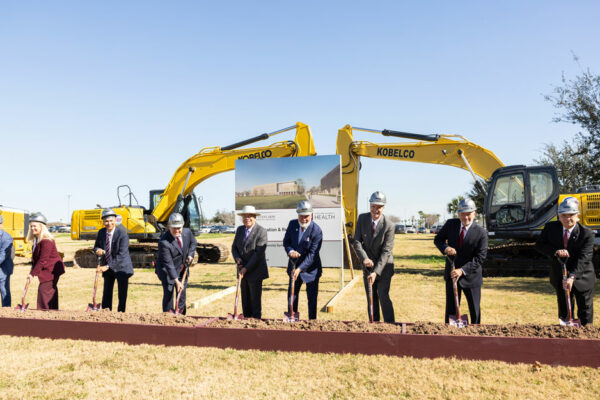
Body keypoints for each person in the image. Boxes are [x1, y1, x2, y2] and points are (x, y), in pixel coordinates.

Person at [535, 197, 596, 325]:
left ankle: (585, 337)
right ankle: (565, 335)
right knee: (564, 310)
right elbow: (540, 245)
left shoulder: (587, 234)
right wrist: (556, 251)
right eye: (564, 215)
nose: (567, 219)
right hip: (560, 276)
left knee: (585, 311)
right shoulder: (551, 228)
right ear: (559, 216)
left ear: (577, 215)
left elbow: (584, 258)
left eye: (571, 215)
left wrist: (572, 277)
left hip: (581, 277)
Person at [434, 198, 487, 324]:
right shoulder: (450, 225)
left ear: (474, 213)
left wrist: (462, 270)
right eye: (462, 214)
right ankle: (449, 338)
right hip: (452, 276)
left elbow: (480, 257)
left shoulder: (481, 233)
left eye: (468, 214)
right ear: (458, 214)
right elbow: (438, 240)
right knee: (451, 311)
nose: (465, 217)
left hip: (471, 278)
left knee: (475, 311)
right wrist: (445, 248)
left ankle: (475, 336)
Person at [353, 191, 396, 323]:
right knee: (371, 296)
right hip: (368, 265)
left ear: (383, 207)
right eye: (373, 206)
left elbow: (386, 251)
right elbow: (357, 241)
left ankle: (389, 326)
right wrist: (364, 258)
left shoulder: (389, 225)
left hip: (384, 266)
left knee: (382, 294)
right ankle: (374, 325)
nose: (375, 210)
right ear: (369, 205)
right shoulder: (362, 219)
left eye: (379, 207)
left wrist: (376, 272)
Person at [282, 201, 323, 320]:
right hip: (294, 267)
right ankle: (292, 318)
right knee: (292, 296)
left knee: (312, 299)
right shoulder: (292, 224)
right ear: (297, 215)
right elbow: (286, 242)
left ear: (311, 215)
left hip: (310, 270)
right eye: (301, 216)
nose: (304, 219)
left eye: (306, 216)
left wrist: (300, 269)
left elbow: (312, 255)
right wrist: (290, 252)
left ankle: (312, 322)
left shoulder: (317, 230)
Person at [155, 213, 197, 314]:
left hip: (182, 269)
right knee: (169, 294)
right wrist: (176, 281)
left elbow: (193, 243)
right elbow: (168, 264)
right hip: (167, 271)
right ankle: (167, 316)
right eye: (174, 228)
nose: (177, 231)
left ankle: (181, 316)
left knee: (181, 294)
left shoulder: (187, 232)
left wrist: (190, 255)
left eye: (179, 228)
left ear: (182, 226)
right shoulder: (164, 242)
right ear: (169, 226)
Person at [93, 208, 134, 312]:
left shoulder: (122, 234)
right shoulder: (101, 232)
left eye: (111, 220)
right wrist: (98, 250)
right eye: (106, 221)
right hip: (108, 268)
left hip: (122, 268)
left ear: (115, 220)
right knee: (106, 294)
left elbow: (122, 255)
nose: (109, 223)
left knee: (122, 295)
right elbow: (96, 246)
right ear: (103, 222)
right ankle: (106, 314)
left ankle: (120, 316)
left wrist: (107, 266)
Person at [231, 205, 268, 318]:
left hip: (255, 271)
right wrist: (237, 258)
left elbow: (258, 254)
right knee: (245, 300)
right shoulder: (240, 230)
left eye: (250, 216)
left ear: (255, 217)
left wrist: (246, 268)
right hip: (242, 271)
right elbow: (234, 248)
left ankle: (255, 324)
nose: (247, 218)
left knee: (255, 301)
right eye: (245, 216)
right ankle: (246, 322)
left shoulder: (261, 231)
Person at [27, 213, 65, 310]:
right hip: (47, 269)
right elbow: (36, 260)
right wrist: (31, 272)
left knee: (43, 291)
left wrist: (32, 274)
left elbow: (43, 260)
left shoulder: (46, 240)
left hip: (52, 270)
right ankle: (52, 314)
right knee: (49, 292)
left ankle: (44, 315)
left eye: (35, 226)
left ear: (41, 227)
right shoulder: (37, 239)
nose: (32, 228)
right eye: (31, 226)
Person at [0, 214, 14, 307]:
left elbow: (2, 256)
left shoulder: (7, 238)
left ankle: (6, 312)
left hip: (3, 270)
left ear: (1, 225)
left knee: (4, 291)